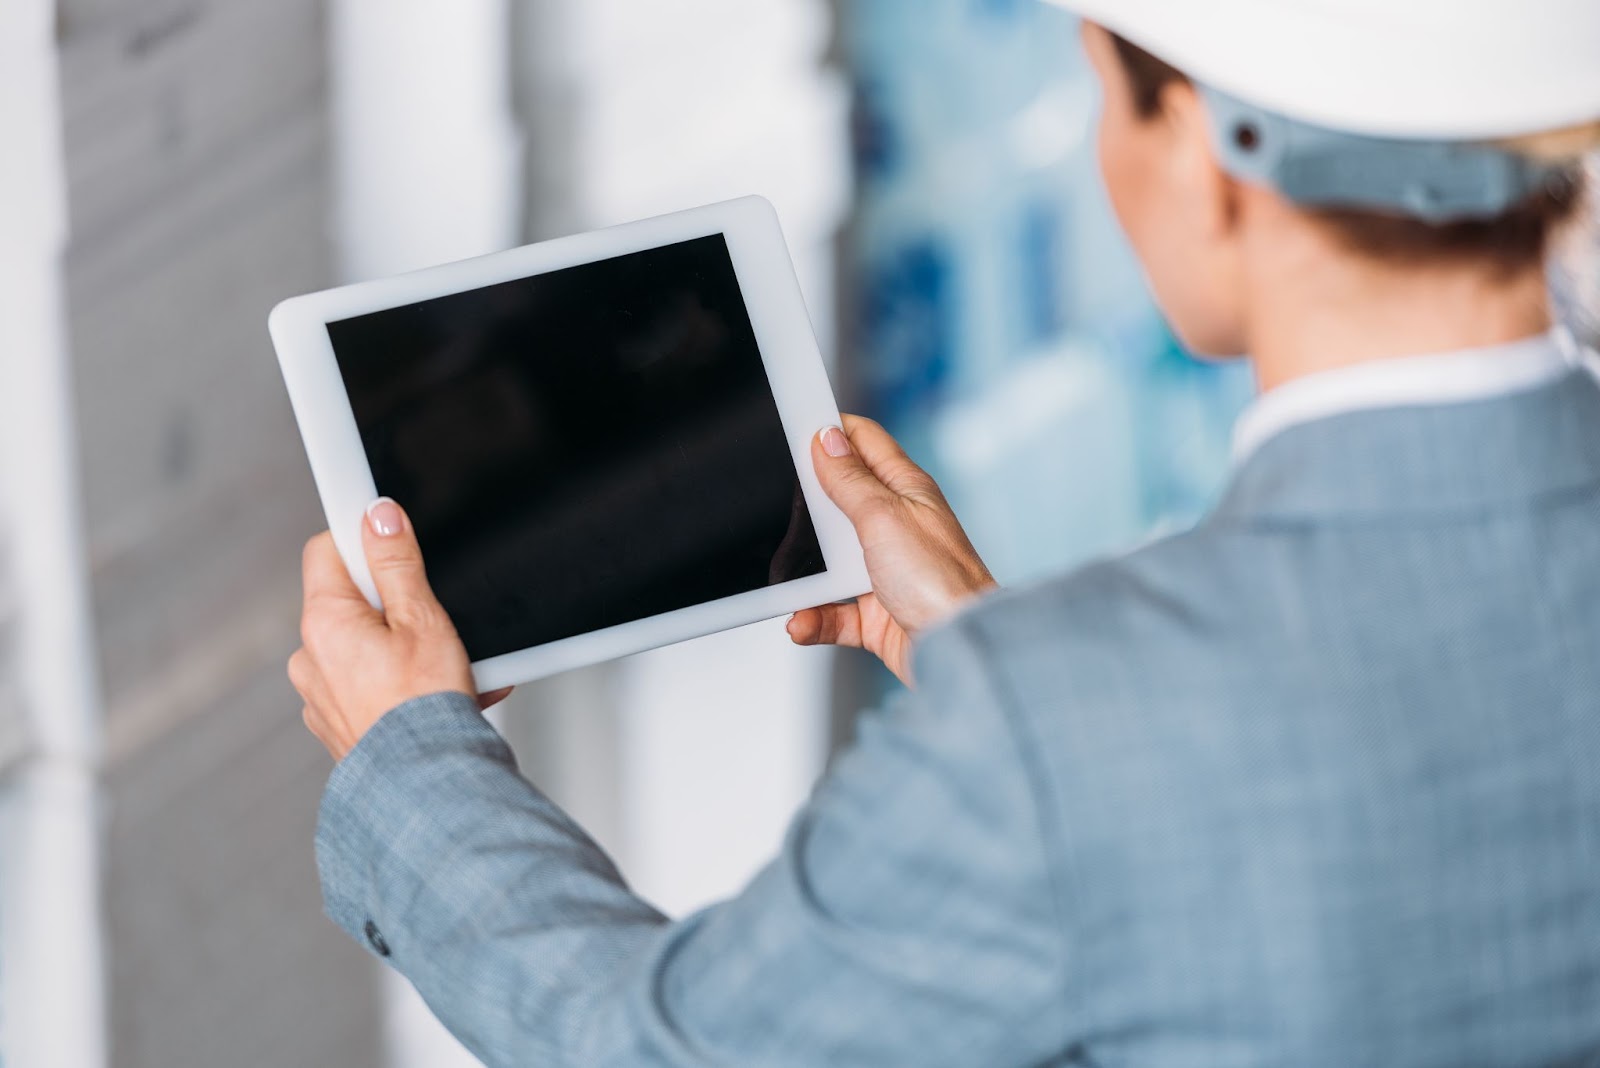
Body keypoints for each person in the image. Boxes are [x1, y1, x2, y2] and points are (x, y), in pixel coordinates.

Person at [289, 1, 1600, 1064]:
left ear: (1205, 159)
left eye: (1106, 94)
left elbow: (663, 1048)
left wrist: (407, 755)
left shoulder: (1066, 728)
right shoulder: (1073, 713)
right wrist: (995, 649)